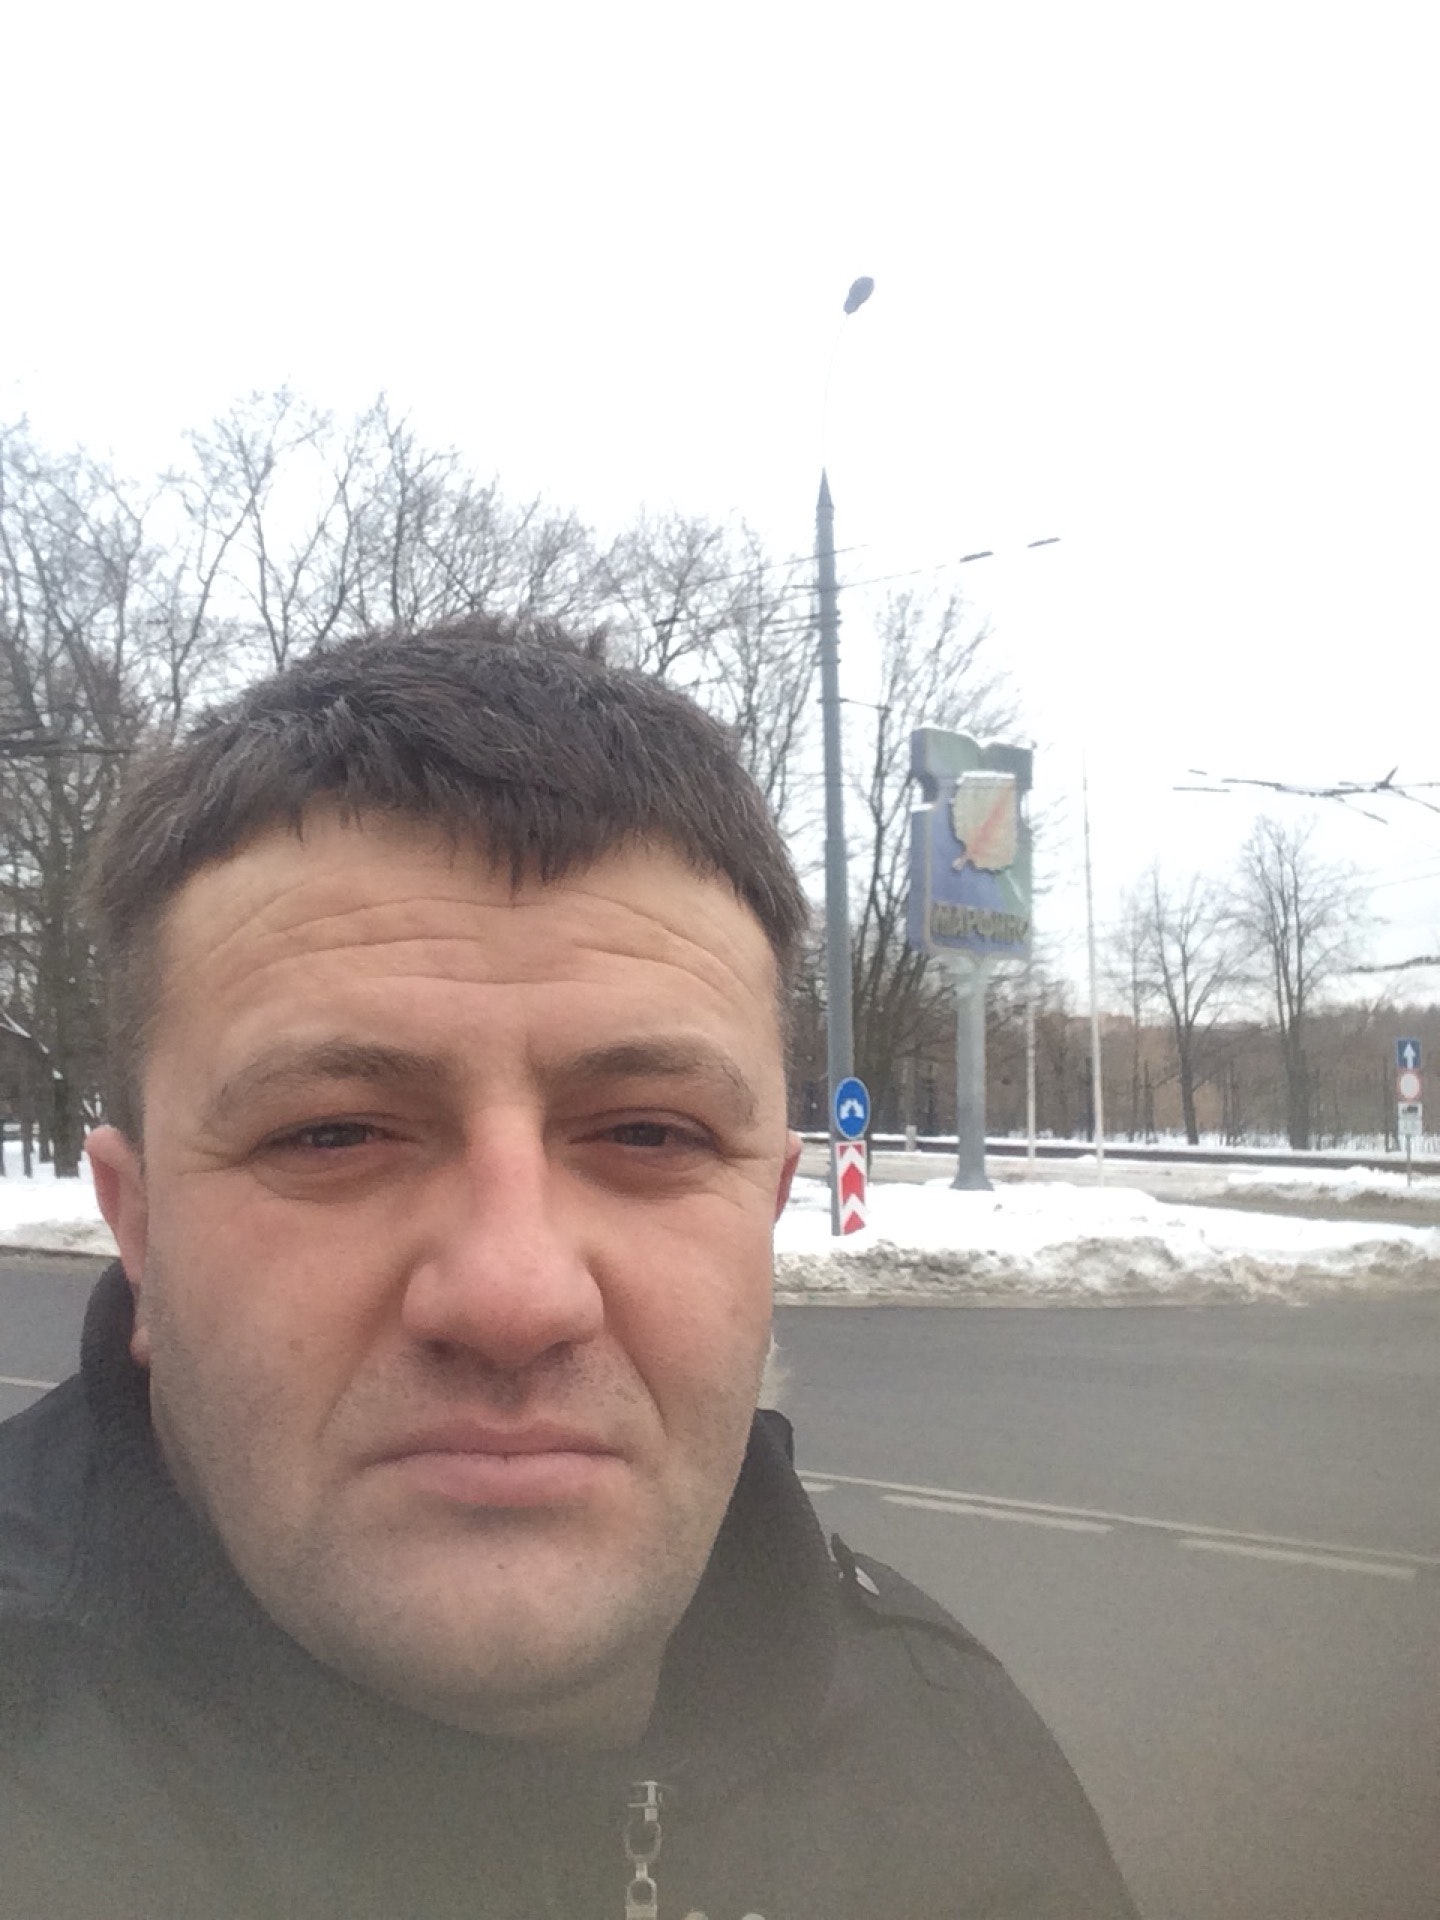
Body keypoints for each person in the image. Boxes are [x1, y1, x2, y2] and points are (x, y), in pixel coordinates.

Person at [0, 620, 1137, 1919]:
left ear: (765, 1215)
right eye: (332, 1133)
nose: (515, 1296)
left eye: (650, 1134)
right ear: (141, 1235)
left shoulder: (954, 1761)